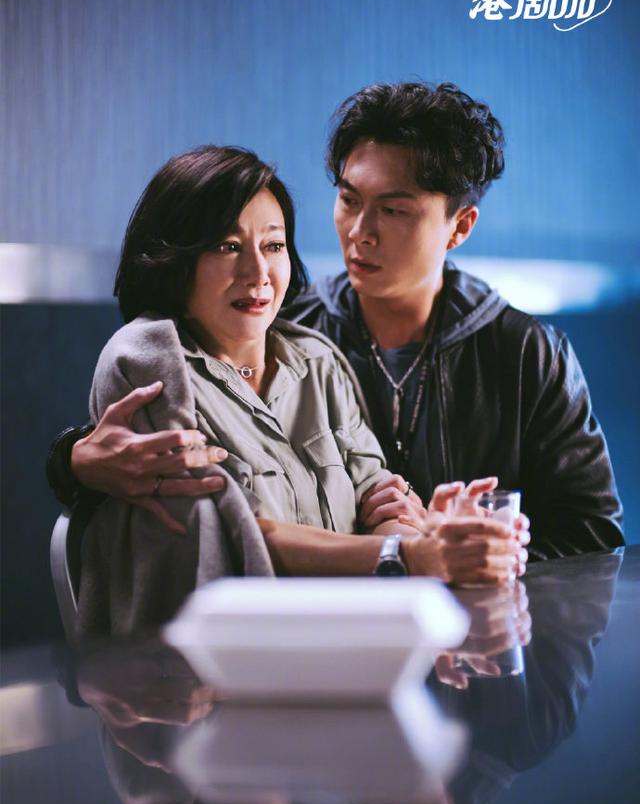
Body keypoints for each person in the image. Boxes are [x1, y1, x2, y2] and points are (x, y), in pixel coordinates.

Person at [47, 81, 622, 560]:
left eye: (393, 210)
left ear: (459, 226)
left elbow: (592, 536)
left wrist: (473, 550)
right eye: (349, 200)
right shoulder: (279, 324)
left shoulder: (526, 353)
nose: (359, 232)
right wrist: (74, 459)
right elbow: (145, 448)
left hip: (481, 637)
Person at [74, 144, 527, 634]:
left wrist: (428, 542)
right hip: (211, 661)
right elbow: (227, 537)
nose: (257, 273)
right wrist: (406, 556)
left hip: (341, 646)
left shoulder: (316, 361)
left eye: (274, 246)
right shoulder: (148, 362)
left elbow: (381, 498)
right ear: (176, 258)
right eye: (227, 246)